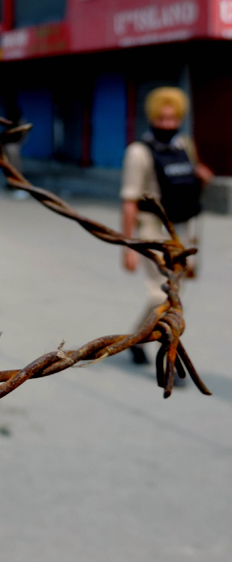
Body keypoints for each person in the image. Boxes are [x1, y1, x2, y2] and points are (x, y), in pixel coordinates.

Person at [120, 87, 214, 365]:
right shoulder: (138, 152)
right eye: (161, 118)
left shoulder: (184, 146)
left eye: (173, 119)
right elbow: (129, 201)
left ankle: (137, 339)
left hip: (181, 231)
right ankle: (168, 354)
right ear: (151, 118)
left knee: (173, 294)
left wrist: (203, 178)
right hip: (152, 230)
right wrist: (128, 246)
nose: (167, 124)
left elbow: (189, 189)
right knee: (163, 294)